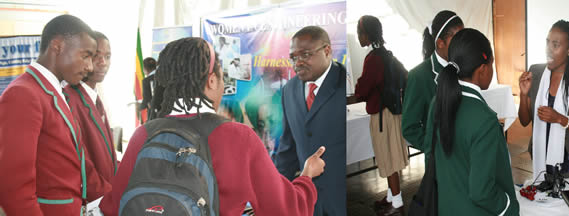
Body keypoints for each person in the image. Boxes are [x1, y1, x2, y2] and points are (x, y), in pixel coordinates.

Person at [99, 37, 326, 215]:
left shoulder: (143, 133)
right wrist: (307, 175)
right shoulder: (238, 137)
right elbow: (284, 210)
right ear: (211, 81)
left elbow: (112, 206)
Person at [0, 14, 111, 216]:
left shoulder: (54, 92)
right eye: (85, 56)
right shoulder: (23, 94)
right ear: (57, 46)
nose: (89, 67)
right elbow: (14, 188)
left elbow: (79, 163)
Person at [423, 28, 519, 215]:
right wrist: (509, 207)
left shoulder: (438, 101)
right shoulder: (484, 120)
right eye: (492, 63)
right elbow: (482, 192)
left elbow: (430, 156)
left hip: (446, 207)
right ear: (483, 69)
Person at [274, 26, 347, 216]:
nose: (298, 63)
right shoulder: (288, 90)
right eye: (293, 57)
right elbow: (288, 146)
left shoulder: (343, 83)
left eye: (305, 55)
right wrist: (276, 190)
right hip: (308, 202)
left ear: (327, 51)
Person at [353, 15, 409, 216]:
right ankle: (392, 197)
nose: (359, 36)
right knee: (391, 156)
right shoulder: (386, 54)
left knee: (388, 158)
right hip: (392, 112)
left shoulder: (373, 59)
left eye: (360, 33)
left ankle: (397, 203)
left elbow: (363, 88)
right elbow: (405, 76)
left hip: (382, 116)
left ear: (367, 34)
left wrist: (359, 88)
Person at [518, 20, 569, 180]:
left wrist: (560, 119)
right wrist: (523, 94)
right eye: (547, 43)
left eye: (555, 45)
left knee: (567, 204)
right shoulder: (535, 72)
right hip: (539, 156)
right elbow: (524, 121)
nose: (548, 49)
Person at [61, 31, 116, 214]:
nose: (103, 62)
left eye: (107, 56)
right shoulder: (70, 98)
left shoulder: (94, 97)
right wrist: (108, 194)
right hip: (93, 198)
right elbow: (80, 159)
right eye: (96, 56)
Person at [402, 10, 464, 157]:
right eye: (457, 40)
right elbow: (409, 127)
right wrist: (435, 149)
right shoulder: (419, 76)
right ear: (440, 43)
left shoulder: (465, 66)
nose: (462, 45)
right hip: (441, 161)